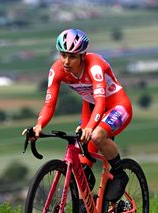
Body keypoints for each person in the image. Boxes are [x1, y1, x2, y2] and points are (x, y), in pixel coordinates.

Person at [24, 28, 133, 202]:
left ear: (82, 56)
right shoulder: (57, 70)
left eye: (72, 56)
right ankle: (85, 204)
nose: (66, 61)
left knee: (97, 136)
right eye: (63, 55)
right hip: (90, 108)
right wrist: (39, 126)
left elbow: (100, 102)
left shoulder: (95, 65)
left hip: (116, 105)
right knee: (81, 170)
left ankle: (119, 174)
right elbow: (49, 104)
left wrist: (90, 127)